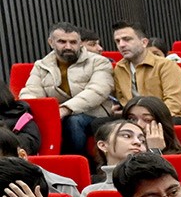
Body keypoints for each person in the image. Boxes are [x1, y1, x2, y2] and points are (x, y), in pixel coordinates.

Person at [15, 24, 114, 157]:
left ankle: (80, 162)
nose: (68, 46)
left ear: (80, 43)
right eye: (62, 42)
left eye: (73, 42)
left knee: (74, 121)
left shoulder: (99, 62)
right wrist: (38, 110)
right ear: (51, 42)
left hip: (93, 113)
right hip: (56, 114)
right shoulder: (41, 65)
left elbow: (97, 90)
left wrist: (65, 109)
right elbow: (31, 91)